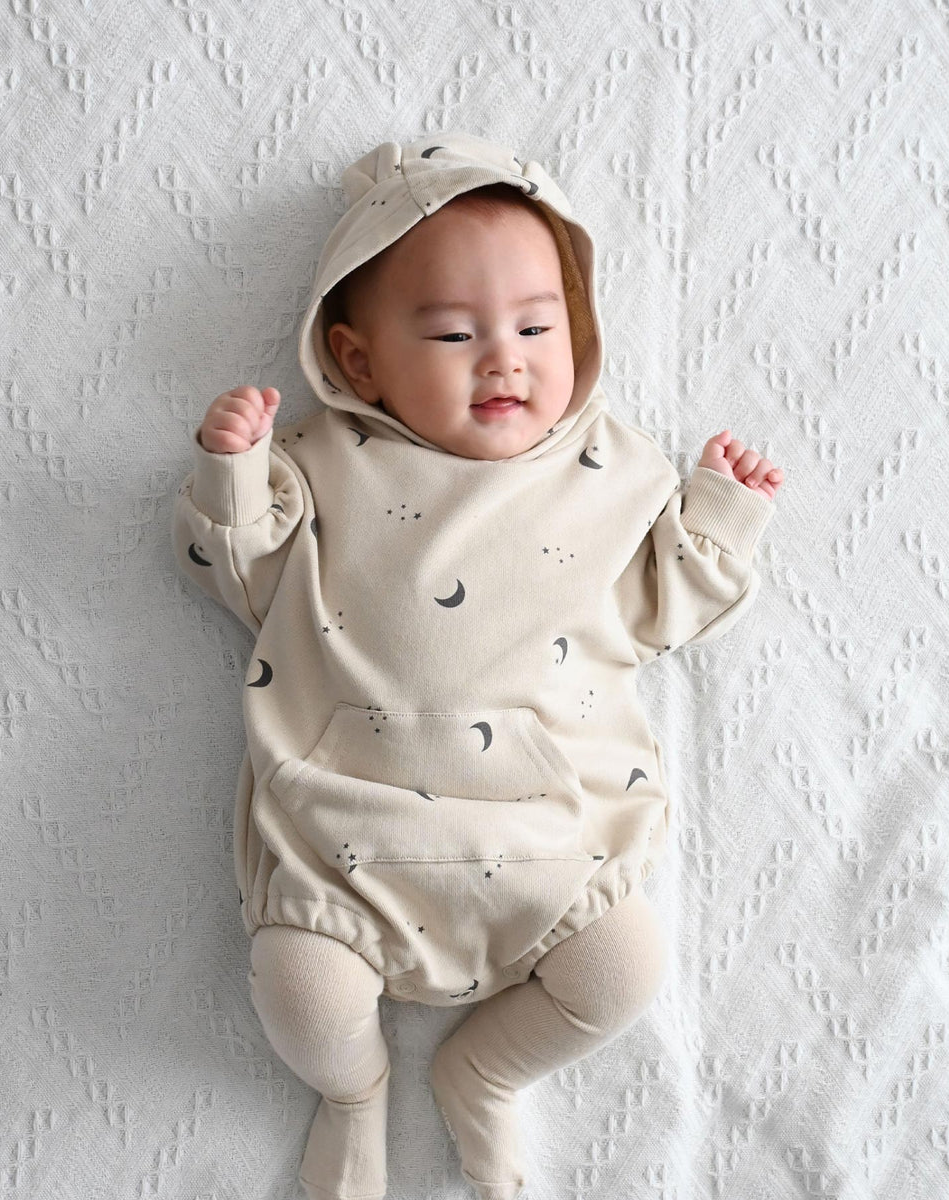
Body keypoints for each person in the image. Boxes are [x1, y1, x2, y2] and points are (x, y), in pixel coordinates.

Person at [170, 132, 784, 1200]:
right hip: (348, 845)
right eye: (454, 334)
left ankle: (486, 1073)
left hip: (551, 842)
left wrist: (721, 516)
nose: (504, 359)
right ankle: (353, 1093)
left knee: (624, 970)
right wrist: (232, 473)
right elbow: (236, 571)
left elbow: (663, 612)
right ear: (359, 360)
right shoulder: (322, 469)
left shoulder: (609, 472)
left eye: (538, 328)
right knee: (300, 990)